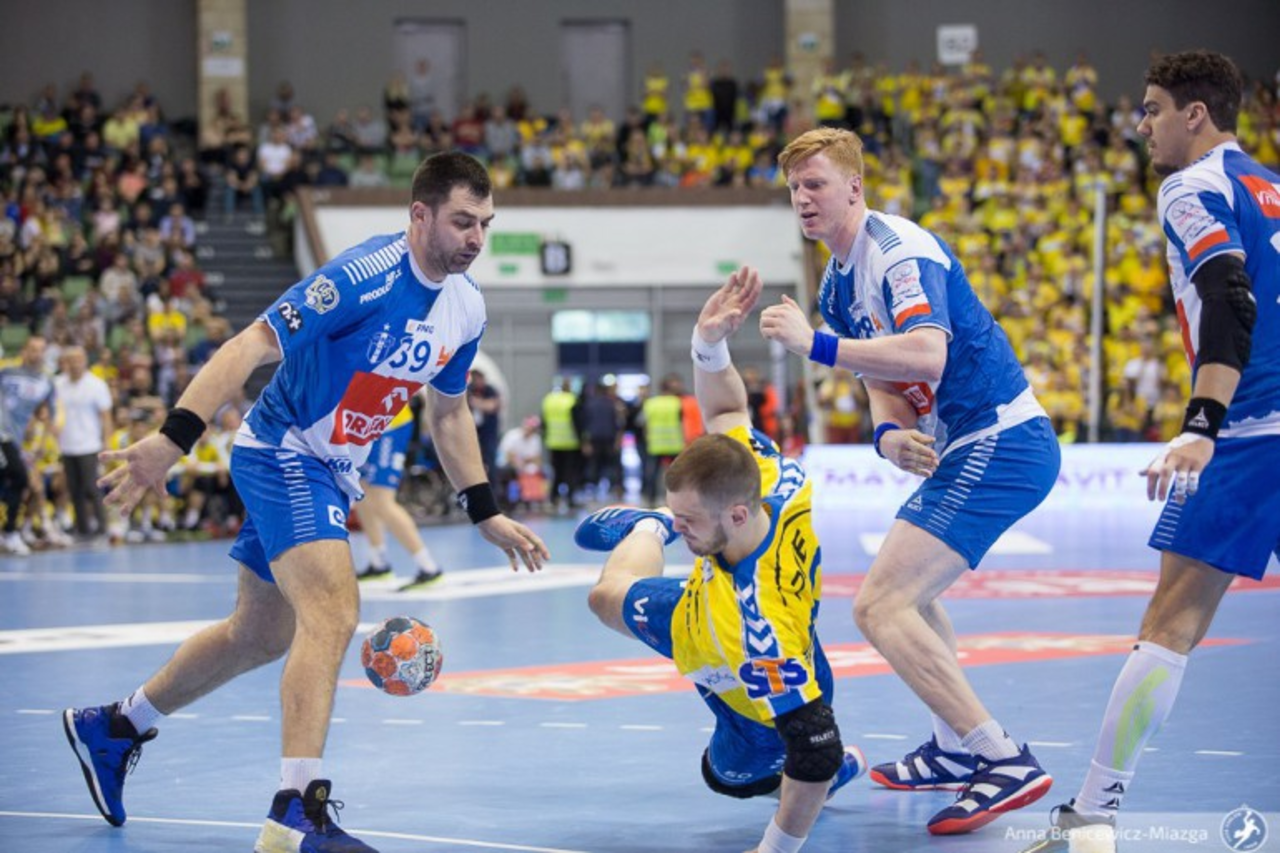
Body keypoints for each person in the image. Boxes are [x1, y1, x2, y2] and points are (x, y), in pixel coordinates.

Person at [63, 151, 550, 853]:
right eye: (462, 221)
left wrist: (484, 508)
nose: (476, 238)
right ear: (420, 215)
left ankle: (114, 726)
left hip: (333, 468)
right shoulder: (360, 276)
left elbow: (448, 413)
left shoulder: (466, 305)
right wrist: (173, 439)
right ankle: (295, 811)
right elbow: (249, 345)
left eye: (485, 224)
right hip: (284, 452)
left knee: (259, 635)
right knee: (333, 613)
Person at [759, 127, 1061, 836]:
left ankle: (1001, 757)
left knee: (880, 605)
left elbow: (926, 355)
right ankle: (952, 748)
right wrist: (888, 434)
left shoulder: (898, 252)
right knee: (912, 599)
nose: (803, 198)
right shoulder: (836, 282)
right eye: (795, 188)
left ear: (855, 187)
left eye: (816, 184)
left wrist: (814, 344)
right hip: (968, 444)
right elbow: (881, 380)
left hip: (1002, 438)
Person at [1020, 50, 1279, 853]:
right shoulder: (1270, 186)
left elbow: (1228, 297)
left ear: (1195, 115)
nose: (1142, 126)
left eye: (1153, 109)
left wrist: (1202, 424)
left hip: (1250, 432)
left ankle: (1093, 816)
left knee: (1169, 624)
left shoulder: (1192, 186)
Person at [575, 267, 866, 853]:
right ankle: (648, 525)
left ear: (735, 515)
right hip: (700, 612)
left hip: (747, 690)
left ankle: (817, 784)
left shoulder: (761, 632)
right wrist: (707, 344)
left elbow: (816, 750)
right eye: (676, 517)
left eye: (685, 522)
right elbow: (729, 415)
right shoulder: (771, 478)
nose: (685, 531)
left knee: (727, 776)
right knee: (604, 598)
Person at [349, 396, 446, 591]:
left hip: (389, 426)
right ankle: (378, 563)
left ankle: (429, 567)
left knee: (382, 501)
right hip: (363, 426)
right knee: (362, 493)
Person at [0, 335, 57, 555]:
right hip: (2, 434)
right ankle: (11, 533)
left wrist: (42, 443)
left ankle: (8, 532)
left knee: (11, 481)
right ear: (24, 351)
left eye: (41, 349)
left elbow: (49, 415)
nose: (37, 353)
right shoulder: (6, 372)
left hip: (15, 439)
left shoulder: (46, 382)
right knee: (20, 477)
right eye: (33, 349)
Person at [55, 345, 114, 541]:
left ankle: (102, 527)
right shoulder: (57, 384)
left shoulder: (96, 385)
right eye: (70, 360)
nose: (74, 364)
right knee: (74, 489)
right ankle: (83, 529)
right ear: (65, 363)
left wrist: (107, 442)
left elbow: (106, 416)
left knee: (92, 487)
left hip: (89, 445)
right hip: (66, 445)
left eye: (78, 360)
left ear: (85, 361)